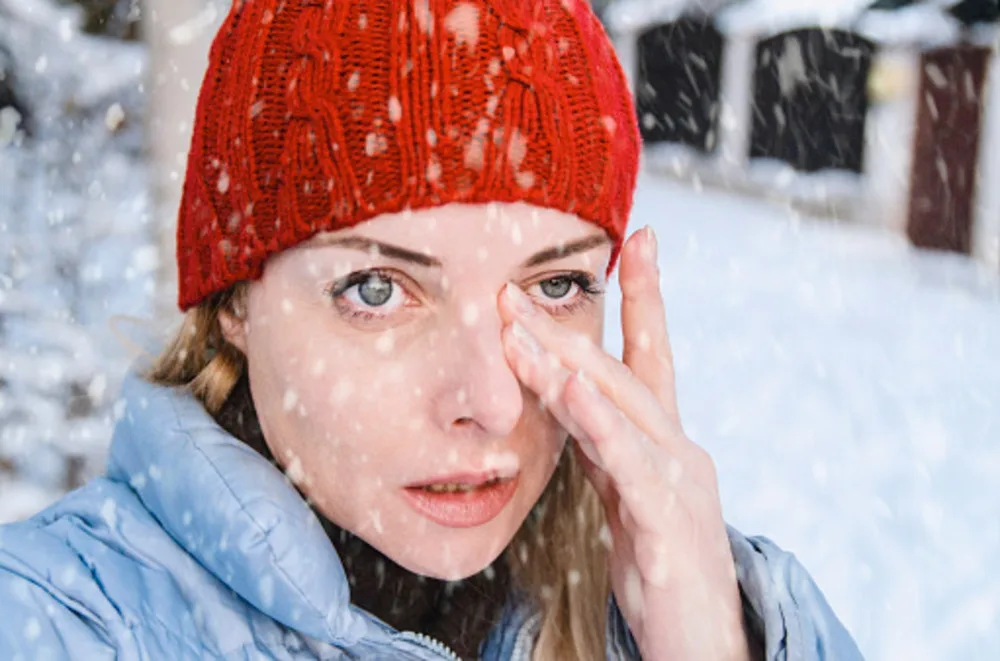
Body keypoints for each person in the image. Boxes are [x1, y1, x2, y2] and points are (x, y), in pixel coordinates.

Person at [0, 1, 865, 659]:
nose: (490, 402)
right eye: (377, 288)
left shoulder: (677, 617)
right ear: (235, 304)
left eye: (556, 283)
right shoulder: (51, 622)